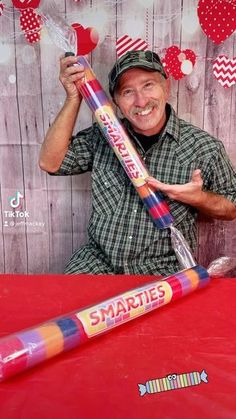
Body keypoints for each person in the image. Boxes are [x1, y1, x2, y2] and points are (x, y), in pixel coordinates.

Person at [39, 50, 236, 275]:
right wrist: (74, 97)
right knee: (64, 305)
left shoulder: (204, 148)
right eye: (127, 91)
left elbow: (232, 208)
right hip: (98, 262)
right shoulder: (102, 136)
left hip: (163, 269)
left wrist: (199, 198)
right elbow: (50, 163)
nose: (141, 101)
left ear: (166, 88)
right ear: (116, 102)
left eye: (148, 85)